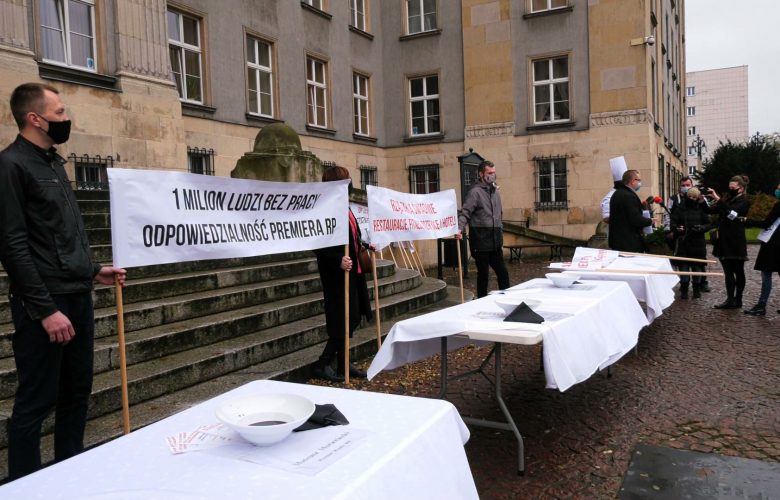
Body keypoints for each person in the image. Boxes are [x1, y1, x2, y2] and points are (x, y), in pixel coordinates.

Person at [0, 82, 127, 480]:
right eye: (59, 113)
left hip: (77, 295)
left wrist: (92, 270)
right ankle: (24, 484)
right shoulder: (11, 166)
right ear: (34, 118)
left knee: (77, 393)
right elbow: (13, 245)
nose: (66, 118)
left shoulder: (54, 162)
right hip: (45, 306)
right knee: (37, 401)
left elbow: (62, 232)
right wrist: (45, 310)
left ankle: (71, 473)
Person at [312, 166, 372, 382]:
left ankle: (343, 363)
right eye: (346, 179)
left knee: (353, 317)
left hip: (353, 271)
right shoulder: (325, 210)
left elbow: (352, 235)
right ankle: (323, 363)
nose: (350, 183)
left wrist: (365, 245)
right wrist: (338, 259)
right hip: (337, 275)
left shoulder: (345, 207)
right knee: (343, 320)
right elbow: (318, 244)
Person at [456, 160, 510, 298]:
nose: (492, 175)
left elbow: (499, 214)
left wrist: (500, 230)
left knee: (502, 272)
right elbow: (465, 212)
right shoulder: (475, 192)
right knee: (483, 275)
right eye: (489, 173)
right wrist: (459, 228)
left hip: (495, 241)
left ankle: (508, 299)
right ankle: (481, 301)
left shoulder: (495, 191)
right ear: (481, 174)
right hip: (480, 240)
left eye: (494, 172)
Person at [707, 175, 751, 309]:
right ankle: (730, 299)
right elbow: (711, 210)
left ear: (741, 188)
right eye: (729, 187)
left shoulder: (744, 201)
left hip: (735, 239)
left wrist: (718, 199)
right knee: (727, 271)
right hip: (724, 239)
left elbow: (731, 214)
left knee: (738, 270)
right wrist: (701, 200)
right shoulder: (727, 198)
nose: (730, 189)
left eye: (733, 188)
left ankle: (738, 299)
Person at [665, 176, 711, 292]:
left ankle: (701, 283)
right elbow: (669, 216)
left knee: (698, 263)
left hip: (697, 239)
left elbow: (707, 215)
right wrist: (671, 230)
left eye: (688, 185)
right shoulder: (674, 199)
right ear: (680, 186)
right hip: (681, 237)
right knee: (682, 262)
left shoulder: (700, 199)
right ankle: (684, 284)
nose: (686, 187)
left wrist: (701, 228)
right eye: (683, 185)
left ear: (692, 185)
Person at [743, 183, 780, 316]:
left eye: (779, 189)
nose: (776, 190)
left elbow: (766, 223)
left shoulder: (779, 206)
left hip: (773, 244)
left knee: (766, 274)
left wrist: (747, 220)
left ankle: (761, 305)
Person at [608, 169, 654, 252]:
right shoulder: (629, 195)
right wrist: (650, 221)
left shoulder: (617, 193)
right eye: (639, 180)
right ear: (633, 181)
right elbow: (635, 218)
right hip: (629, 242)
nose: (640, 183)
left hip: (617, 241)